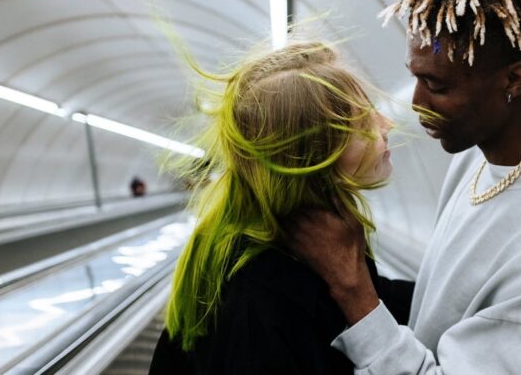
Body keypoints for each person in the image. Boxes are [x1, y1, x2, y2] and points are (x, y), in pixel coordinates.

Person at [287, 0, 521, 374]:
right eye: (416, 77)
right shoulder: (483, 152)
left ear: (514, 80)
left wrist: (354, 289)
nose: (416, 103)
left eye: (436, 85)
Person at [148, 40, 414, 375]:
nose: (386, 125)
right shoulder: (260, 299)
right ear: (312, 156)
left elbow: (377, 296)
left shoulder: (324, 240)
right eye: (362, 124)